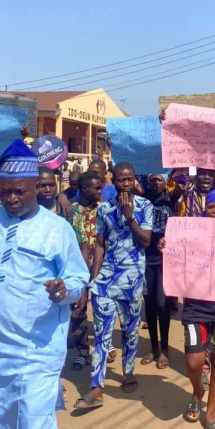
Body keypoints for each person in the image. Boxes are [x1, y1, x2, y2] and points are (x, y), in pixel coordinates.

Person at [0, 139, 89, 429]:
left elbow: (78, 278)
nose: (12, 198)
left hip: (37, 351)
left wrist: (65, 290)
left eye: (20, 191)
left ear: (37, 187)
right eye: (5, 192)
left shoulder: (57, 229)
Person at [157, 189, 215, 429]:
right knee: (194, 362)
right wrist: (167, 245)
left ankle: (210, 413)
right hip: (196, 305)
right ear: (205, 208)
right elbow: (176, 254)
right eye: (212, 207)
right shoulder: (191, 231)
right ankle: (197, 390)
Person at [75, 162, 153, 410]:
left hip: (132, 281)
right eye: (121, 180)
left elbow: (146, 242)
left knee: (130, 332)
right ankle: (96, 388)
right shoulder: (104, 209)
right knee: (101, 336)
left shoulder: (145, 206)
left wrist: (130, 217)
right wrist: (94, 279)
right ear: (113, 180)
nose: (126, 184)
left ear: (134, 181)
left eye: (130, 179)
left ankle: (128, 371)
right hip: (106, 281)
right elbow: (99, 244)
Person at [67, 172, 104, 371]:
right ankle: (83, 352)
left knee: (100, 310)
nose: (100, 192)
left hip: (101, 267)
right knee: (78, 310)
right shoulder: (69, 211)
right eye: (96, 188)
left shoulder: (104, 210)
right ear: (83, 189)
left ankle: (102, 348)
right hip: (75, 269)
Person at [140, 173, 175, 370]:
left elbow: (180, 182)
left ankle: (165, 348)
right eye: (152, 179)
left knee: (163, 305)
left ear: (165, 183)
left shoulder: (172, 200)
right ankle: (154, 347)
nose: (155, 183)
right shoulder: (142, 200)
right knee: (150, 306)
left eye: (159, 180)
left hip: (166, 260)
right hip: (146, 259)